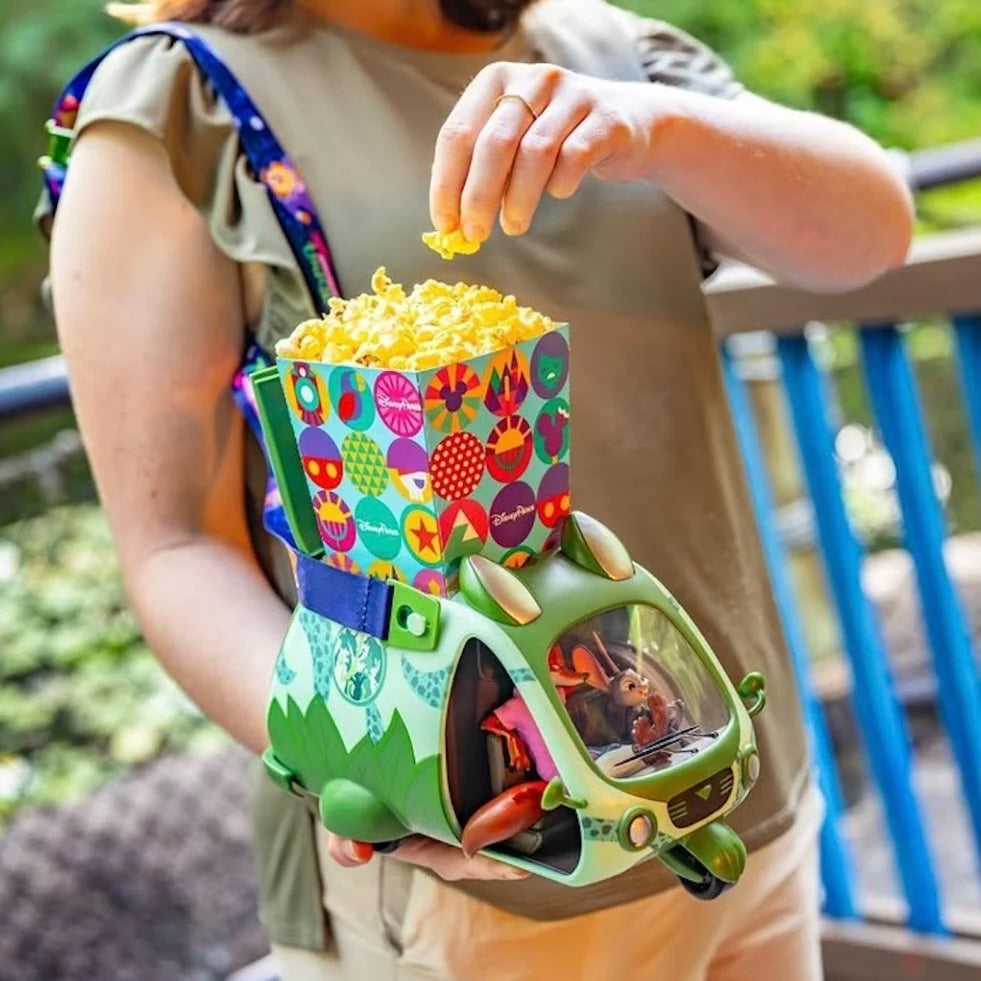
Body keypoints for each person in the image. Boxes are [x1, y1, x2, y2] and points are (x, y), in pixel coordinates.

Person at [41, 0, 913, 977]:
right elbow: (172, 547)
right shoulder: (179, 104)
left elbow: (868, 237)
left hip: (737, 804)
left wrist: (654, 129)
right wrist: (386, 770)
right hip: (480, 890)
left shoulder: (612, 53)